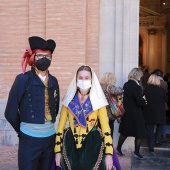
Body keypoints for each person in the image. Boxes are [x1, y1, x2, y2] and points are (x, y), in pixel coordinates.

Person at [4, 36, 60, 170]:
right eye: (40, 55)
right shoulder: (23, 79)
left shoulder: (54, 81)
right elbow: (10, 112)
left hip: (50, 138)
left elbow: (55, 108)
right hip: (29, 140)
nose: (44, 59)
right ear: (33, 57)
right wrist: (22, 131)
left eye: (48, 56)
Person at [55, 65, 114, 170]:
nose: (83, 80)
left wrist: (109, 154)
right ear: (76, 79)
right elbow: (60, 126)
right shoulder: (68, 99)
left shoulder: (98, 100)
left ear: (92, 80)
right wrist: (58, 151)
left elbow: (106, 128)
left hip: (93, 144)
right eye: (80, 78)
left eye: (87, 78)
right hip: (70, 145)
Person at [116, 68, 147, 160]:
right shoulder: (136, 87)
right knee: (140, 133)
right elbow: (139, 101)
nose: (141, 77)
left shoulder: (126, 84)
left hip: (127, 112)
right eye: (140, 75)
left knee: (125, 132)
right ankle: (137, 153)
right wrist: (144, 100)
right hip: (136, 113)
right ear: (137, 76)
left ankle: (118, 149)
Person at [143, 74, 166, 155]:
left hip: (149, 112)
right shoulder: (161, 90)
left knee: (150, 130)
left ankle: (151, 148)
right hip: (159, 112)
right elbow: (165, 99)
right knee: (160, 126)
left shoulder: (146, 89)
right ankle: (157, 140)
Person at [100, 72, 123, 137]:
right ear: (111, 80)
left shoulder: (99, 87)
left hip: (100, 113)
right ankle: (108, 146)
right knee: (109, 134)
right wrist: (123, 89)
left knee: (101, 133)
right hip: (109, 114)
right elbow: (119, 91)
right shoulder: (109, 87)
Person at [152, 69, 168, 142]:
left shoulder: (151, 82)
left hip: (152, 105)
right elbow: (166, 94)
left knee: (151, 123)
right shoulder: (164, 83)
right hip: (162, 104)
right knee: (162, 122)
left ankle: (152, 139)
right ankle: (163, 135)